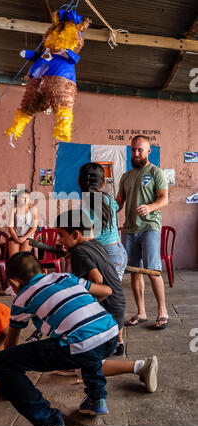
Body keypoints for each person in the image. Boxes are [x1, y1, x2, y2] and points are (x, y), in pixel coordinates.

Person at [0, 251, 119, 425]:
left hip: (82, 345)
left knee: (2, 362)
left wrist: (8, 382)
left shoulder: (22, 299)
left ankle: (50, 423)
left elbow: (11, 346)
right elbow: (106, 290)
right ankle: (97, 398)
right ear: (44, 271)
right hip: (111, 333)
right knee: (86, 338)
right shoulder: (64, 276)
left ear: (14, 283)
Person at [116, 135, 169, 329]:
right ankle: (141, 312)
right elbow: (119, 201)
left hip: (150, 227)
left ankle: (163, 311)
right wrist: (106, 209)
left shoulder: (156, 172)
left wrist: (150, 207)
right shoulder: (126, 176)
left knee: (153, 271)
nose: (136, 153)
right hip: (129, 229)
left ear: (148, 151)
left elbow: (164, 199)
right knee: (134, 272)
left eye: (140, 150)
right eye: (133, 150)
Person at [56, 209, 125, 347]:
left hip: (108, 316)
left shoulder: (79, 253)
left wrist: (87, 308)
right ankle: (119, 342)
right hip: (118, 310)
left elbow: (97, 280)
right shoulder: (96, 245)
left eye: (61, 235)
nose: (59, 241)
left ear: (75, 234)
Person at [78, 162, 128, 354]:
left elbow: (89, 236)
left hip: (105, 255)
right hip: (117, 253)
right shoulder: (108, 199)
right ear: (103, 183)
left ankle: (111, 341)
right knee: (109, 298)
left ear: (80, 182)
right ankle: (116, 341)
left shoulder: (85, 205)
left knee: (107, 299)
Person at [5, 188, 38, 295]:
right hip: (15, 236)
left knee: (23, 259)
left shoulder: (33, 209)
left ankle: (25, 284)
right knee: (13, 260)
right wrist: (15, 238)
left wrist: (24, 237)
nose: (25, 200)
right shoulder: (13, 209)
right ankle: (13, 284)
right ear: (18, 199)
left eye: (27, 198)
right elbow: (10, 226)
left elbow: (34, 227)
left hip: (28, 236)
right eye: (23, 198)